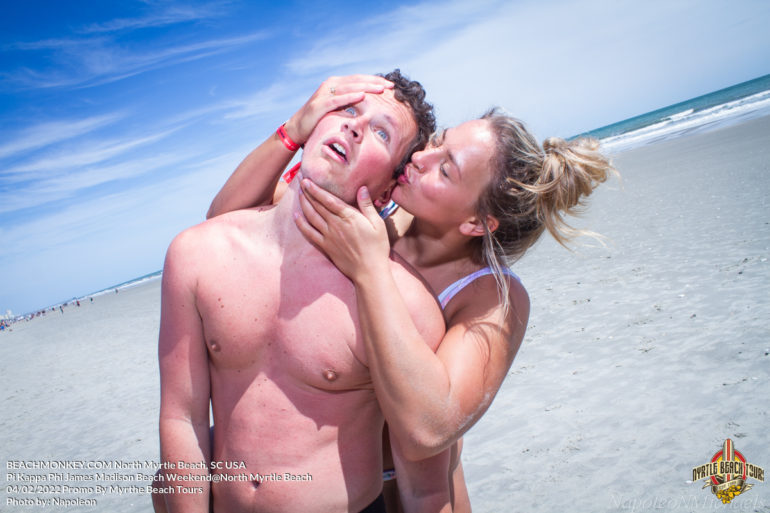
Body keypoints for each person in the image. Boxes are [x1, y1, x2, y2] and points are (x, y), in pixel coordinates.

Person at [209, 75, 616, 512]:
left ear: (476, 223)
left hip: (420, 489)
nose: (421, 156)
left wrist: (369, 270)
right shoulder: (370, 209)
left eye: (446, 168)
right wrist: (293, 130)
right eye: (436, 143)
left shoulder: (491, 298)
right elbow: (224, 228)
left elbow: (427, 432)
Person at [155, 70, 452, 513]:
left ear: (391, 185)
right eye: (347, 109)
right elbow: (183, 419)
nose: (353, 125)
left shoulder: (404, 303)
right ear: (316, 120)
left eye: (381, 132)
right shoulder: (197, 253)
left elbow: (424, 487)